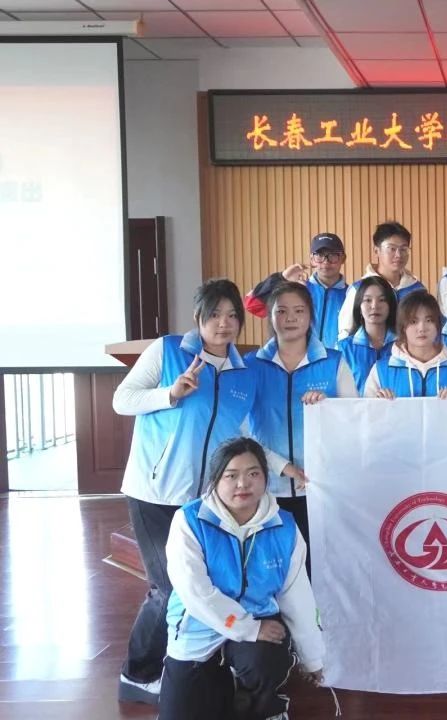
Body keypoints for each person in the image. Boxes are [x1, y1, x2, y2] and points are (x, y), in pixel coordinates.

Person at [112, 279, 257, 705]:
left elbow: (242, 433)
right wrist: (170, 394)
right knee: (168, 587)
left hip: (204, 501)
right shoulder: (168, 350)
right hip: (154, 492)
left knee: (201, 583)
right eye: (215, 314)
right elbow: (123, 399)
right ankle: (138, 674)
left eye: (232, 315)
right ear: (198, 317)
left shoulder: (242, 373)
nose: (223, 323)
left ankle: (190, 666)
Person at [158, 438, 324, 720]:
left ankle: (266, 704)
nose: (243, 484)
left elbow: (297, 595)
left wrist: (313, 657)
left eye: (253, 473)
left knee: (266, 661)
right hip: (199, 628)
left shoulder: (284, 526)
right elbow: (196, 592)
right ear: (215, 480)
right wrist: (247, 628)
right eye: (231, 475)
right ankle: (226, 686)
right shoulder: (189, 521)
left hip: (259, 621)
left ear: (266, 477)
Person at [245, 281, 358, 555]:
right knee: (273, 563)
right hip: (266, 487)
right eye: (281, 311)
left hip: (319, 487)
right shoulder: (251, 365)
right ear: (271, 316)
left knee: (317, 563)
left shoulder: (333, 362)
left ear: (310, 316)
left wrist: (327, 406)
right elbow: (240, 430)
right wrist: (281, 466)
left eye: (299, 311)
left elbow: (354, 420)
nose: (290, 318)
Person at [244, 232, 349, 348]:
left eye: (333, 255)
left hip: (337, 359)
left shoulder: (352, 295)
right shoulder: (295, 290)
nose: (325, 261)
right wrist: (281, 278)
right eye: (319, 255)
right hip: (296, 358)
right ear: (312, 259)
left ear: (343, 258)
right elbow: (252, 305)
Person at [365, 292, 447, 398]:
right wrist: (380, 405)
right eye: (413, 321)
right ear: (403, 327)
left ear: (438, 325)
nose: (422, 328)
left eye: (429, 320)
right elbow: (366, 410)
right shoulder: (381, 371)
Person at [337, 220, 425, 338]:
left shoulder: (417, 289)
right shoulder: (359, 289)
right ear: (376, 250)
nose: (398, 255)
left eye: (403, 249)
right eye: (392, 248)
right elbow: (345, 333)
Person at [338, 275, 397, 393]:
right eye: (368, 300)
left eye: (382, 300)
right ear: (359, 306)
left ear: (390, 306)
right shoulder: (345, 348)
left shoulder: (402, 345)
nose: (375, 306)